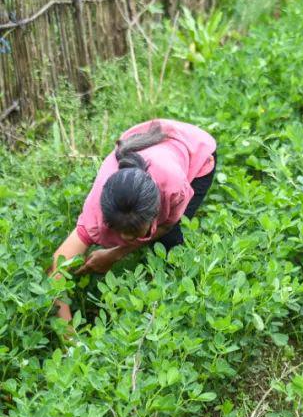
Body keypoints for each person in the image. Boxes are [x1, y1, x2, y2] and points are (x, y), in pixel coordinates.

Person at [49, 119, 217, 322]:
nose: (126, 237)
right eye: (118, 230)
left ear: (156, 213)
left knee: (171, 239)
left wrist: (115, 254)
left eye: (135, 233)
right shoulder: (96, 213)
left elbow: (167, 225)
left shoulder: (173, 188)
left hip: (195, 149)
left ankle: (169, 305)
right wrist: (69, 339)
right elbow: (56, 272)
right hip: (146, 140)